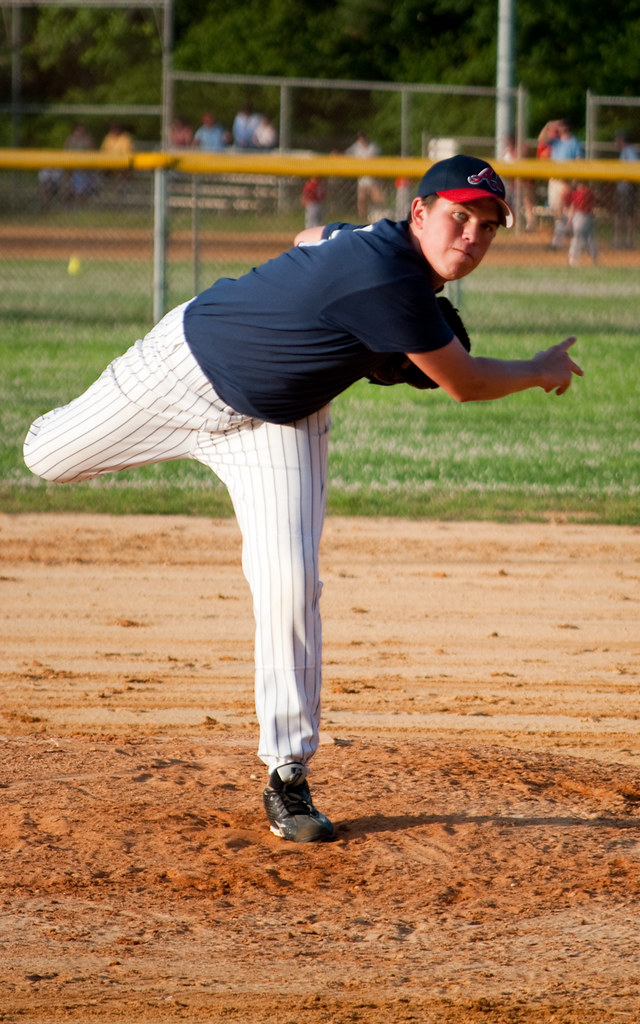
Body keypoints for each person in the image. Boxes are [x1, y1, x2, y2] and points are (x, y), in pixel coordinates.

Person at [23, 154, 582, 845]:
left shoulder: (368, 244)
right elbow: (462, 382)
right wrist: (538, 369)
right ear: (421, 213)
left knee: (289, 582)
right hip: (183, 369)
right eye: (458, 216)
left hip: (280, 423)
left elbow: (308, 236)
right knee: (43, 456)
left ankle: (287, 775)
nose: (471, 235)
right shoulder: (385, 274)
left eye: (488, 226)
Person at [537, 119, 583, 250]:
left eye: (561, 126)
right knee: (555, 210)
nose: (558, 129)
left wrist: (575, 181)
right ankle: (566, 234)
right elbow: (541, 140)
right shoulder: (555, 141)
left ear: (567, 128)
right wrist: (548, 126)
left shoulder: (574, 143)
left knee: (565, 211)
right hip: (554, 180)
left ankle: (558, 241)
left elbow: (578, 161)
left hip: (566, 181)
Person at [346, 130, 385, 220]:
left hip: (373, 180)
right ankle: (363, 219)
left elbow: (372, 157)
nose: (362, 139)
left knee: (379, 200)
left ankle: (381, 215)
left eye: (363, 137)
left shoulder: (372, 146)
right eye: (360, 138)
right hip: (362, 180)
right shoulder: (356, 147)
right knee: (362, 201)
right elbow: (347, 155)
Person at [613, 132, 640, 249]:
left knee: (628, 214)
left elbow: (637, 166)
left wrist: (627, 180)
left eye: (617, 140)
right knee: (619, 213)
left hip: (627, 188)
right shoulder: (625, 151)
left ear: (622, 140)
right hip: (622, 188)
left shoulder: (630, 151)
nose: (615, 143)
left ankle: (627, 240)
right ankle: (619, 238)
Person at [564, 180, 598, 265]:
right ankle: (594, 258)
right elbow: (593, 207)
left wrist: (570, 219)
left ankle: (572, 258)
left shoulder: (576, 193)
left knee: (577, 238)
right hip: (588, 217)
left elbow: (572, 206)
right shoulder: (590, 193)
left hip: (578, 217)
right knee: (589, 238)